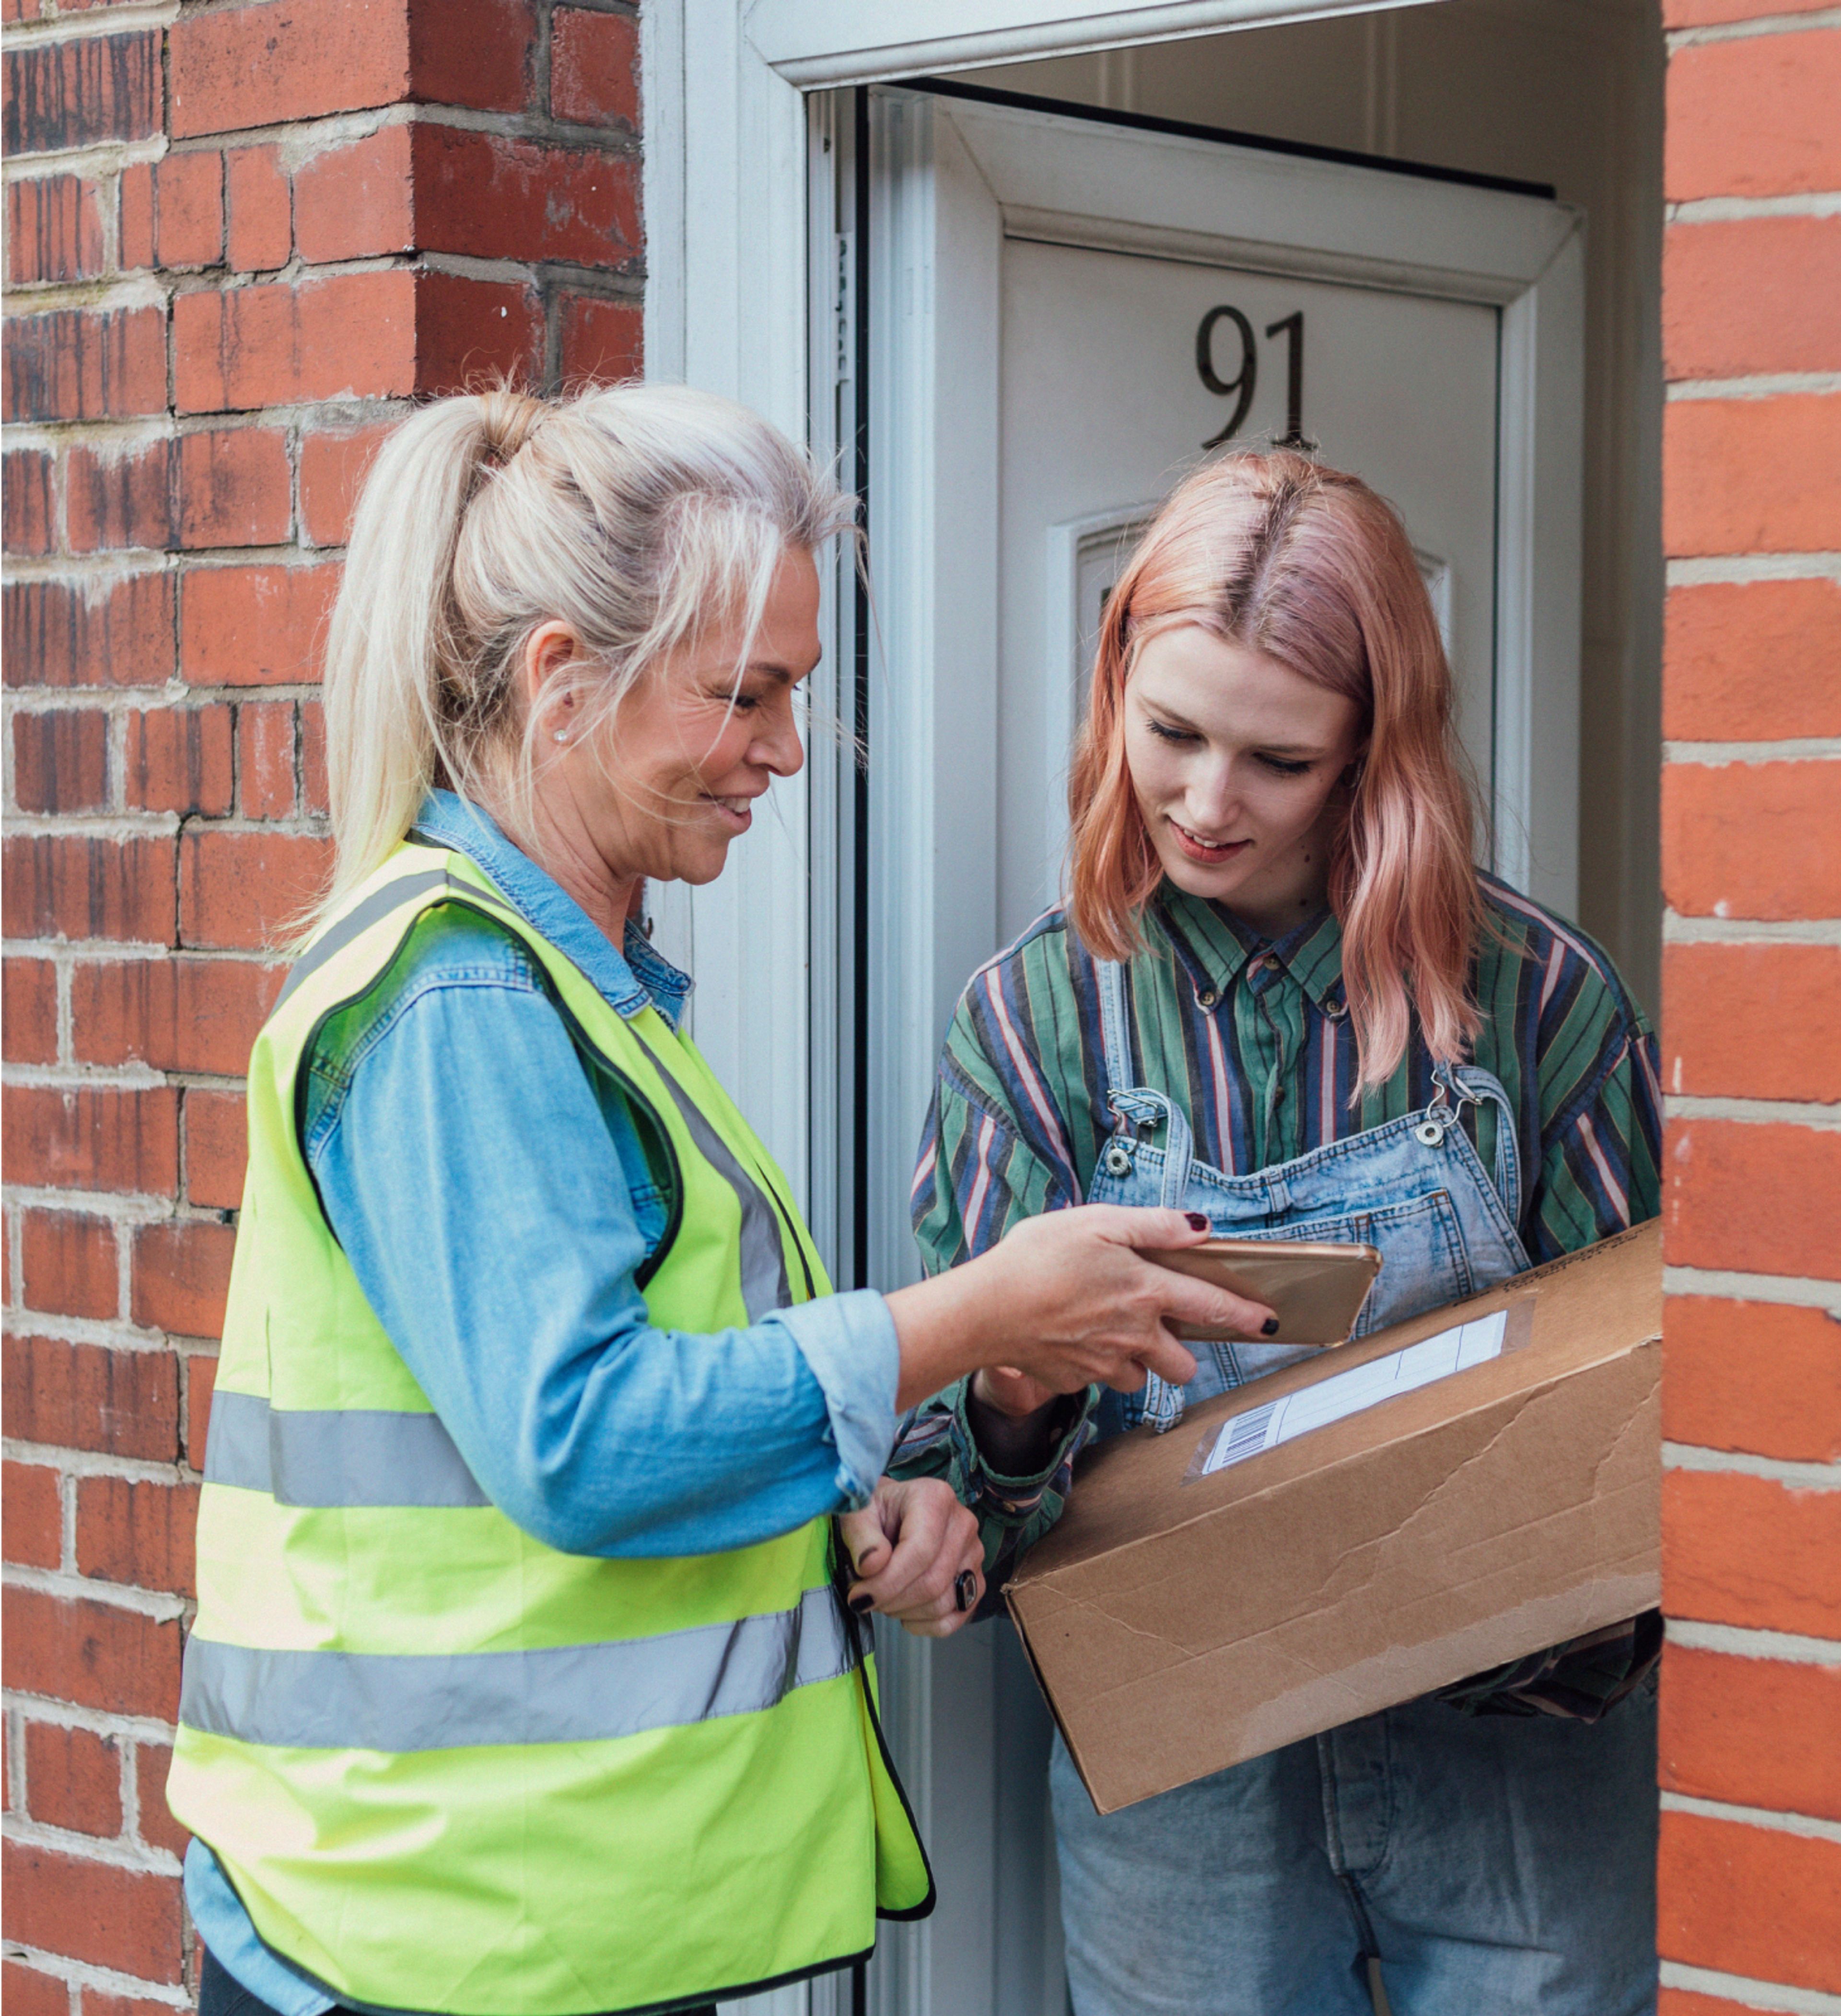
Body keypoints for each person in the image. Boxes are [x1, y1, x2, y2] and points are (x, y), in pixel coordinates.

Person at [164, 385, 1275, 2016]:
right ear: (561, 680)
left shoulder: (576, 981)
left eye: (796, 692)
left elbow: (584, 1453)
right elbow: (579, 1441)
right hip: (433, 1945)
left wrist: (840, 1525)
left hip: (518, 1924)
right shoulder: (456, 998)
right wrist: (969, 1317)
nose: (785, 751)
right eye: (743, 694)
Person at [899, 449, 1665, 2016]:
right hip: (1187, 1777)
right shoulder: (1037, 1022)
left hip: (1514, 1757)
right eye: (1170, 731)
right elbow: (948, 1480)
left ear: (1373, 754)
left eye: (1276, 760)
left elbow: (1661, 1421)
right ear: (1115, 672)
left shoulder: (1541, 1004)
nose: (1203, 801)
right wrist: (1013, 1393)